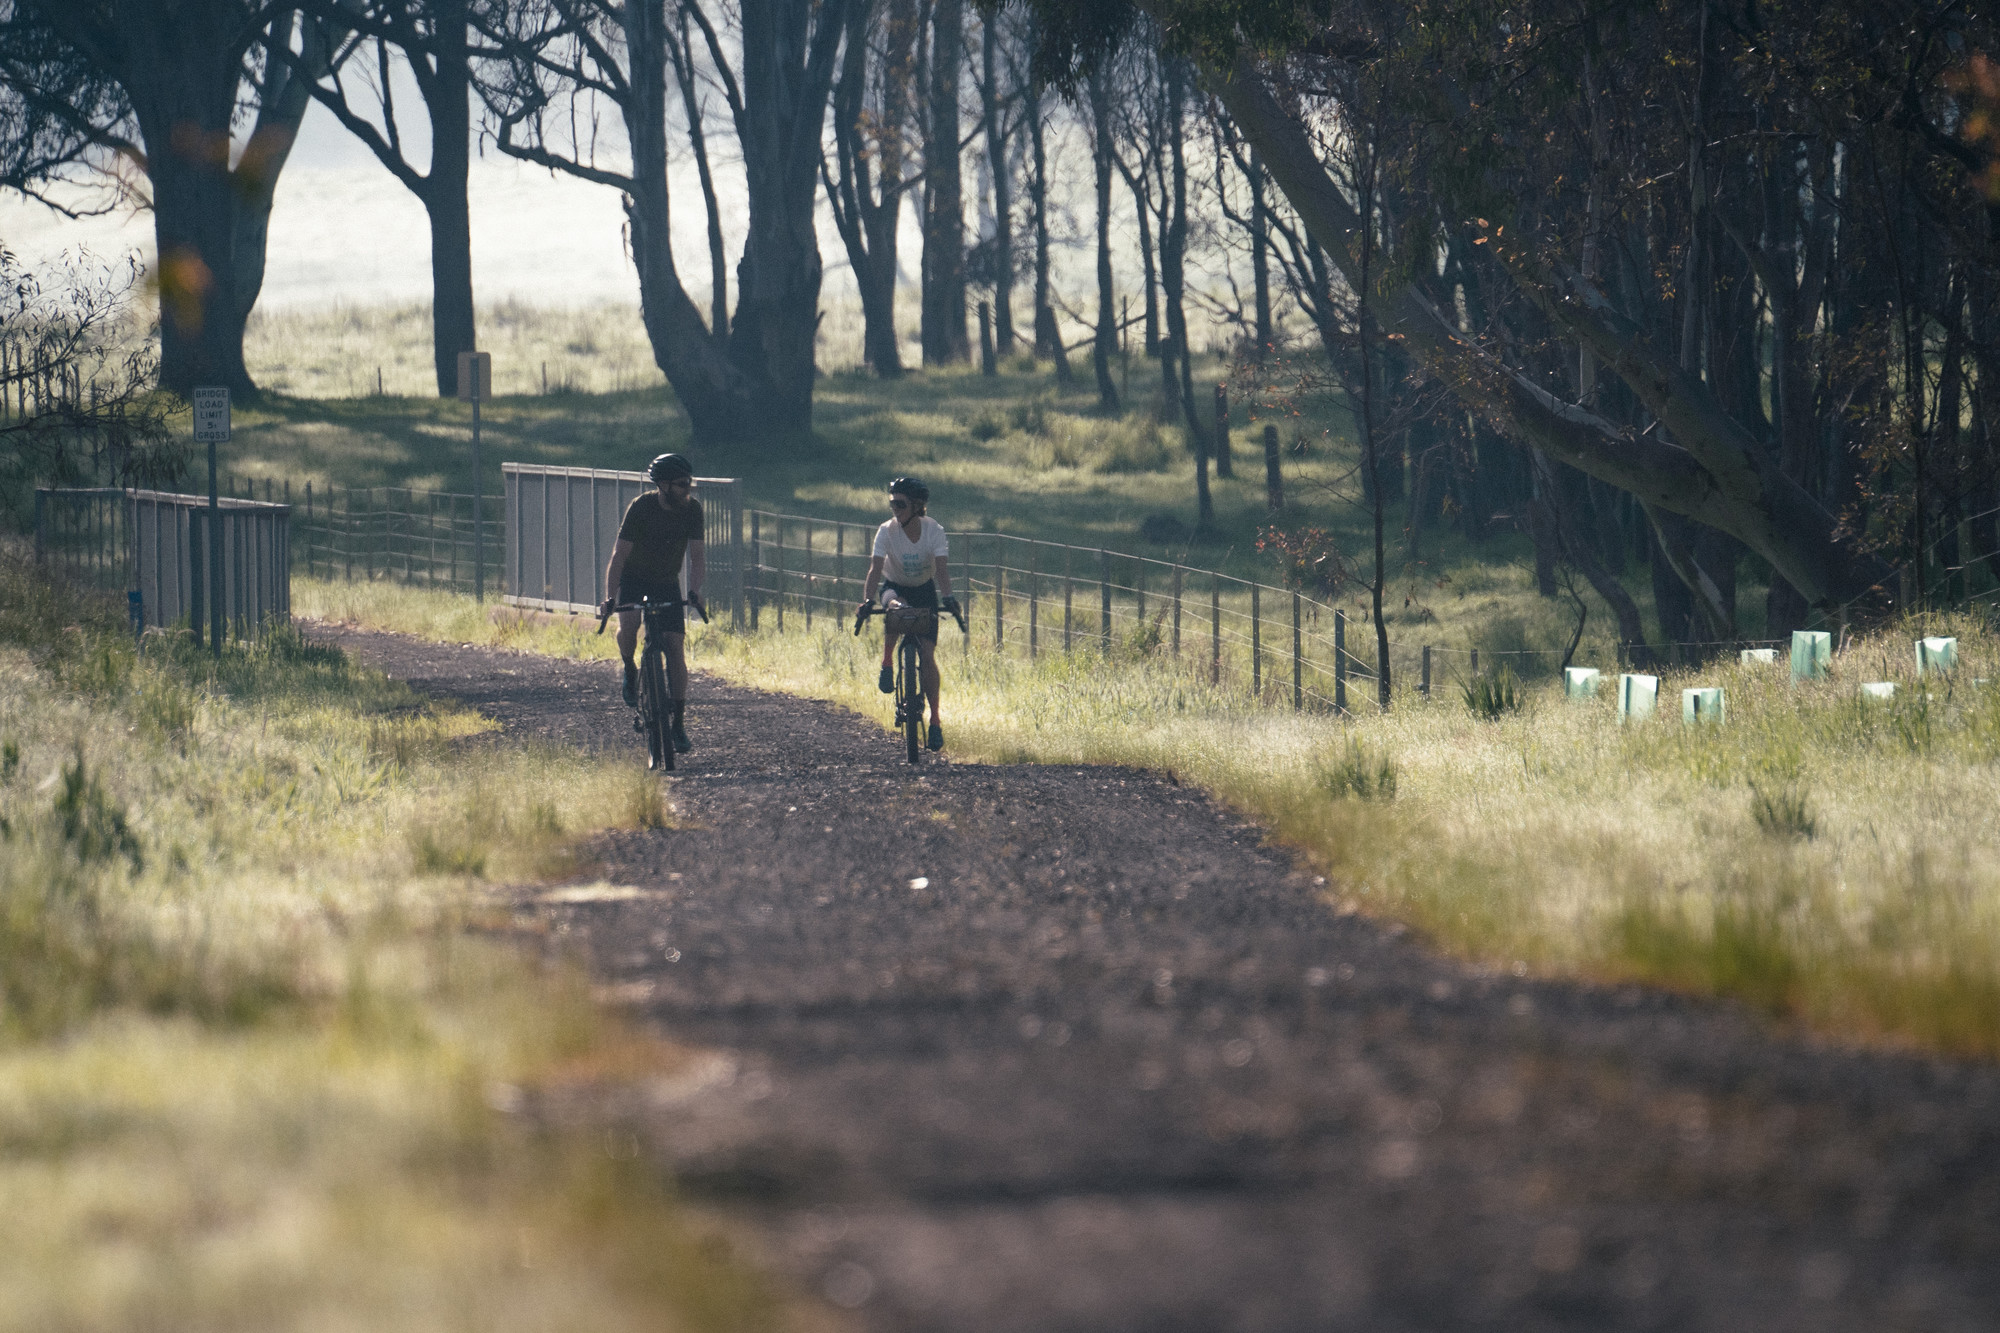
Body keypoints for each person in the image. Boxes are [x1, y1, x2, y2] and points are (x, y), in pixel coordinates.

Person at [600, 452, 705, 753]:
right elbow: (618, 558)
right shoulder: (641, 508)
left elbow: (697, 556)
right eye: (682, 484)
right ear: (663, 485)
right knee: (629, 628)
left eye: (689, 483)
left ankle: (679, 722)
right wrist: (610, 596)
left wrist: (695, 591)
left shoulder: (692, 510)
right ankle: (629, 668)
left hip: (666, 582)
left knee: (675, 646)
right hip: (634, 579)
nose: (688, 489)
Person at [859, 475, 959, 751]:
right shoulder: (886, 530)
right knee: (895, 606)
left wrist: (948, 597)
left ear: (917, 506)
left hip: (923, 590)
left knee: (927, 654)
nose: (895, 509)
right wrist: (868, 600)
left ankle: (935, 721)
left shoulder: (934, 531)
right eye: (892, 504)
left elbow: (941, 569)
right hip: (894, 588)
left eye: (900, 504)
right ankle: (887, 662)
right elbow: (875, 569)